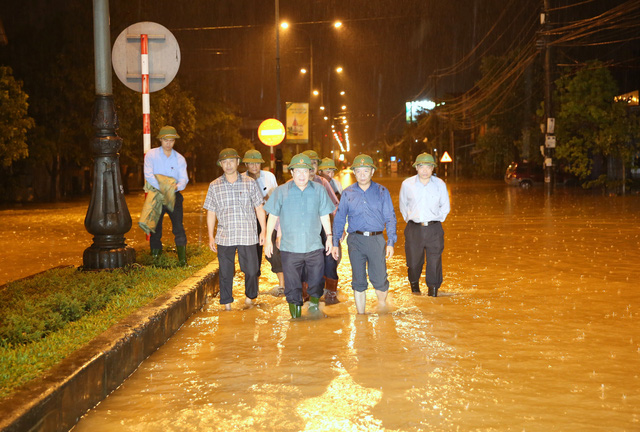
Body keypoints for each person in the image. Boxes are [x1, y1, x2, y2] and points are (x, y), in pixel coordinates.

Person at [264, 154, 335, 318]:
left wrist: (329, 237)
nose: (302, 175)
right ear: (292, 173)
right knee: (292, 286)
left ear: (310, 172)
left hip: (314, 246)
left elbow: (325, 215)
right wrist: (268, 240)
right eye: (298, 171)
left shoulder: (319, 190)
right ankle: (295, 319)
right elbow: (273, 216)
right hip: (290, 248)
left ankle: (314, 308)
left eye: (305, 171)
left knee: (317, 281)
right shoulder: (281, 191)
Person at [332, 155, 397, 314]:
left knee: (380, 278)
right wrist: (335, 242)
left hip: (376, 240)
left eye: (366, 170)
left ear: (372, 172)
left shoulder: (382, 192)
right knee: (358, 280)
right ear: (354, 172)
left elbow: (390, 217)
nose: (362, 174)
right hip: (355, 240)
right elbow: (340, 218)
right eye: (358, 171)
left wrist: (390, 242)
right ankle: (361, 317)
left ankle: (382, 308)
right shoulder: (348, 193)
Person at [203, 148, 267, 310]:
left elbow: (259, 208)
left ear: (238, 163)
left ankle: (250, 297)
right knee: (225, 272)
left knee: (252, 270)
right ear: (221, 165)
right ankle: (227, 304)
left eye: (231, 161)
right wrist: (210, 236)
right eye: (225, 162)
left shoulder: (250, 183)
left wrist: (264, 230)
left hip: (248, 234)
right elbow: (211, 212)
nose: (228, 165)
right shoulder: (214, 186)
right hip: (225, 235)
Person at [399, 153, 450, 296]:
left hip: (434, 228)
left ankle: (433, 292)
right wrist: (413, 219)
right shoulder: (407, 184)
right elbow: (403, 206)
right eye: (422, 167)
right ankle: (415, 289)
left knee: (434, 262)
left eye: (429, 167)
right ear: (416, 168)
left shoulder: (440, 184)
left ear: (433, 168)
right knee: (414, 263)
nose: (425, 170)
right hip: (414, 228)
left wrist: (435, 219)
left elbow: (445, 207)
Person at [143, 125, 189, 266]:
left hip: (174, 196)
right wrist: (163, 187)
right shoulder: (151, 155)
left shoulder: (179, 159)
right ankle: (155, 258)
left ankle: (182, 260)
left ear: (174, 141)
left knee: (178, 227)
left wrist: (175, 186)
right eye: (165, 140)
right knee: (155, 228)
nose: (168, 143)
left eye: (171, 140)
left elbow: (184, 179)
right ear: (160, 140)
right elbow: (148, 175)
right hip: (156, 195)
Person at [242, 149, 285, 294]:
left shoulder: (269, 176)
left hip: (269, 219)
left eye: (257, 164)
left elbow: (277, 197)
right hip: (249, 221)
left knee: (273, 251)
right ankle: (254, 287)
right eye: (251, 164)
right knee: (253, 253)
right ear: (246, 164)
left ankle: (282, 285)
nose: (254, 167)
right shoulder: (241, 179)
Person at [302, 150, 341, 305]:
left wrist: (339, 230)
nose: (311, 167)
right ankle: (305, 293)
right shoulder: (293, 183)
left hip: (324, 228)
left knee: (330, 258)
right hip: (303, 229)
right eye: (308, 163)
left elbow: (335, 206)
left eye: (314, 163)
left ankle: (330, 293)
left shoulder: (323, 183)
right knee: (304, 260)